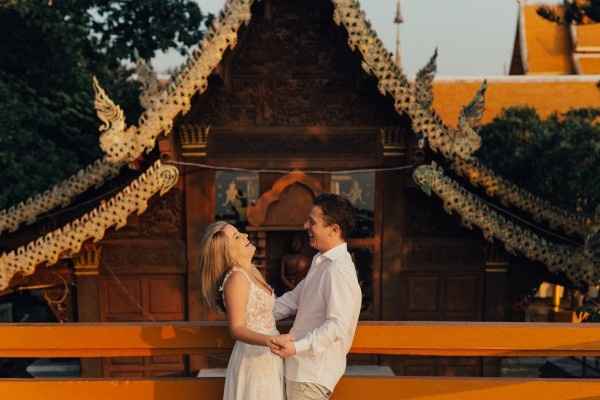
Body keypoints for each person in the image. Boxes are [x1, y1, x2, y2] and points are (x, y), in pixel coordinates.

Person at [270, 193, 362, 400]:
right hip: (299, 371)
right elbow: (292, 300)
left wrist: (296, 347)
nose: (305, 226)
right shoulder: (321, 262)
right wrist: (251, 312)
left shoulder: (339, 270)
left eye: (312, 222)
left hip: (312, 374)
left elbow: (337, 325)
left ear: (334, 229)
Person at [198, 221, 291, 400]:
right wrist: (270, 340)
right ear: (228, 251)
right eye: (237, 237)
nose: (246, 236)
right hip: (253, 358)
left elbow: (265, 311)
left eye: (241, 233)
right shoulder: (236, 279)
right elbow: (237, 328)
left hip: (269, 357)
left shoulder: (251, 271)